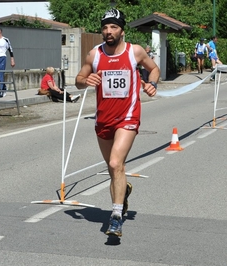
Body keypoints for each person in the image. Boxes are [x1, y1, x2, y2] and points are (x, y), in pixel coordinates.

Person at [75, 8, 160, 237]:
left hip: (128, 116)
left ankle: (115, 217)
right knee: (115, 171)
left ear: (122, 29)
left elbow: (154, 70)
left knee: (115, 163)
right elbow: (78, 80)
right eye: (105, 27)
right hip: (103, 119)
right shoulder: (94, 55)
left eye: (113, 27)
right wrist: (86, 80)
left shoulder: (135, 52)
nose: (108, 31)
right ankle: (125, 191)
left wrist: (152, 84)